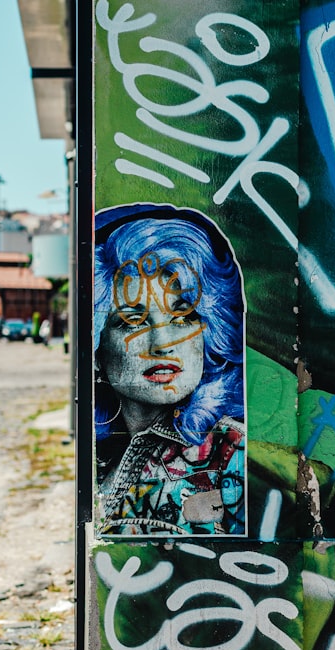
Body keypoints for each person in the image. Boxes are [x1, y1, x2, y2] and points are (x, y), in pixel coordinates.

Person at [94, 204, 246, 536]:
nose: (162, 344)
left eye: (182, 318)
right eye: (132, 321)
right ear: (96, 349)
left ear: (211, 332)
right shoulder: (96, 454)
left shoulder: (235, 454)